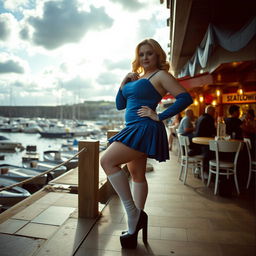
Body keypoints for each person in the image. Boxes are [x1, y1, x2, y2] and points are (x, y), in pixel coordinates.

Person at [100, 38, 193, 249]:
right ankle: (134, 228)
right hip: (132, 128)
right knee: (137, 175)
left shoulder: (161, 75)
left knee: (106, 161)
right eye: (141, 54)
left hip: (143, 128)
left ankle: (132, 213)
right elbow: (119, 104)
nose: (145, 58)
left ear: (158, 55)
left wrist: (159, 116)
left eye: (149, 53)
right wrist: (123, 84)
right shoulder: (136, 77)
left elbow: (185, 98)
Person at [191, 105, 216, 176]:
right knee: (213, 151)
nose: (214, 113)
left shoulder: (200, 117)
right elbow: (213, 131)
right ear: (211, 111)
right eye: (214, 111)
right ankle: (206, 170)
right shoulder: (209, 118)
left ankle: (199, 168)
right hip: (202, 147)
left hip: (195, 145)